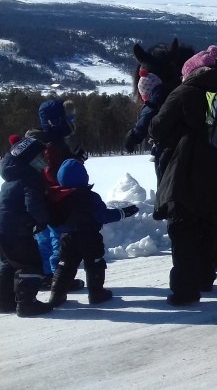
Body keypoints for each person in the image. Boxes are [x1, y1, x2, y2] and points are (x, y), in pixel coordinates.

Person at [149, 45, 217, 306]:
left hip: (186, 169)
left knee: (183, 229)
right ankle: (205, 278)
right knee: (208, 225)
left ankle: (185, 291)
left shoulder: (184, 92)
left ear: (190, 72)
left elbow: (157, 129)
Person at [46, 159, 138, 307]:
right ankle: (96, 294)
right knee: (95, 263)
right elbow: (103, 216)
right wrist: (123, 212)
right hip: (89, 237)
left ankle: (56, 295)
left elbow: (54, 222)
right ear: (84, 177)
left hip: (67, 238)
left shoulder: (57, 198)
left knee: (65, 265)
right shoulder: (90, 197)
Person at [24, 100, 86, 293]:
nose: (71, 119)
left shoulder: (42, 139)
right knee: (58, 239)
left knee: (46, 239)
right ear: (56, 120)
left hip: (43, 198)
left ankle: (47, 275)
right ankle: (59, 278)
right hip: (53, 198)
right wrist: (74, 162)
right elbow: (51, 173)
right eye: (68, 116)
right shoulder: (50, 144)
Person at [0, 137, 54, 317]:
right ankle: (26, 304)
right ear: (30, 158)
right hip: (17, 229)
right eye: (41, 155)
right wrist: (42, 220)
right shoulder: (30, 177)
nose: (45, 159)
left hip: (4, 227)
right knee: (30, 264)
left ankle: (4, 300)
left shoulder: (11, 178)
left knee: (10, 264)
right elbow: (33, 204)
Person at [124, 71, 170, 184]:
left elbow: (143, 123)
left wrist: (132, 137)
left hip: (163, 147)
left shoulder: (153, 102)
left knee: (163, 181)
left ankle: (162, 200)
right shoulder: (170, 94)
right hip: (175, 144)